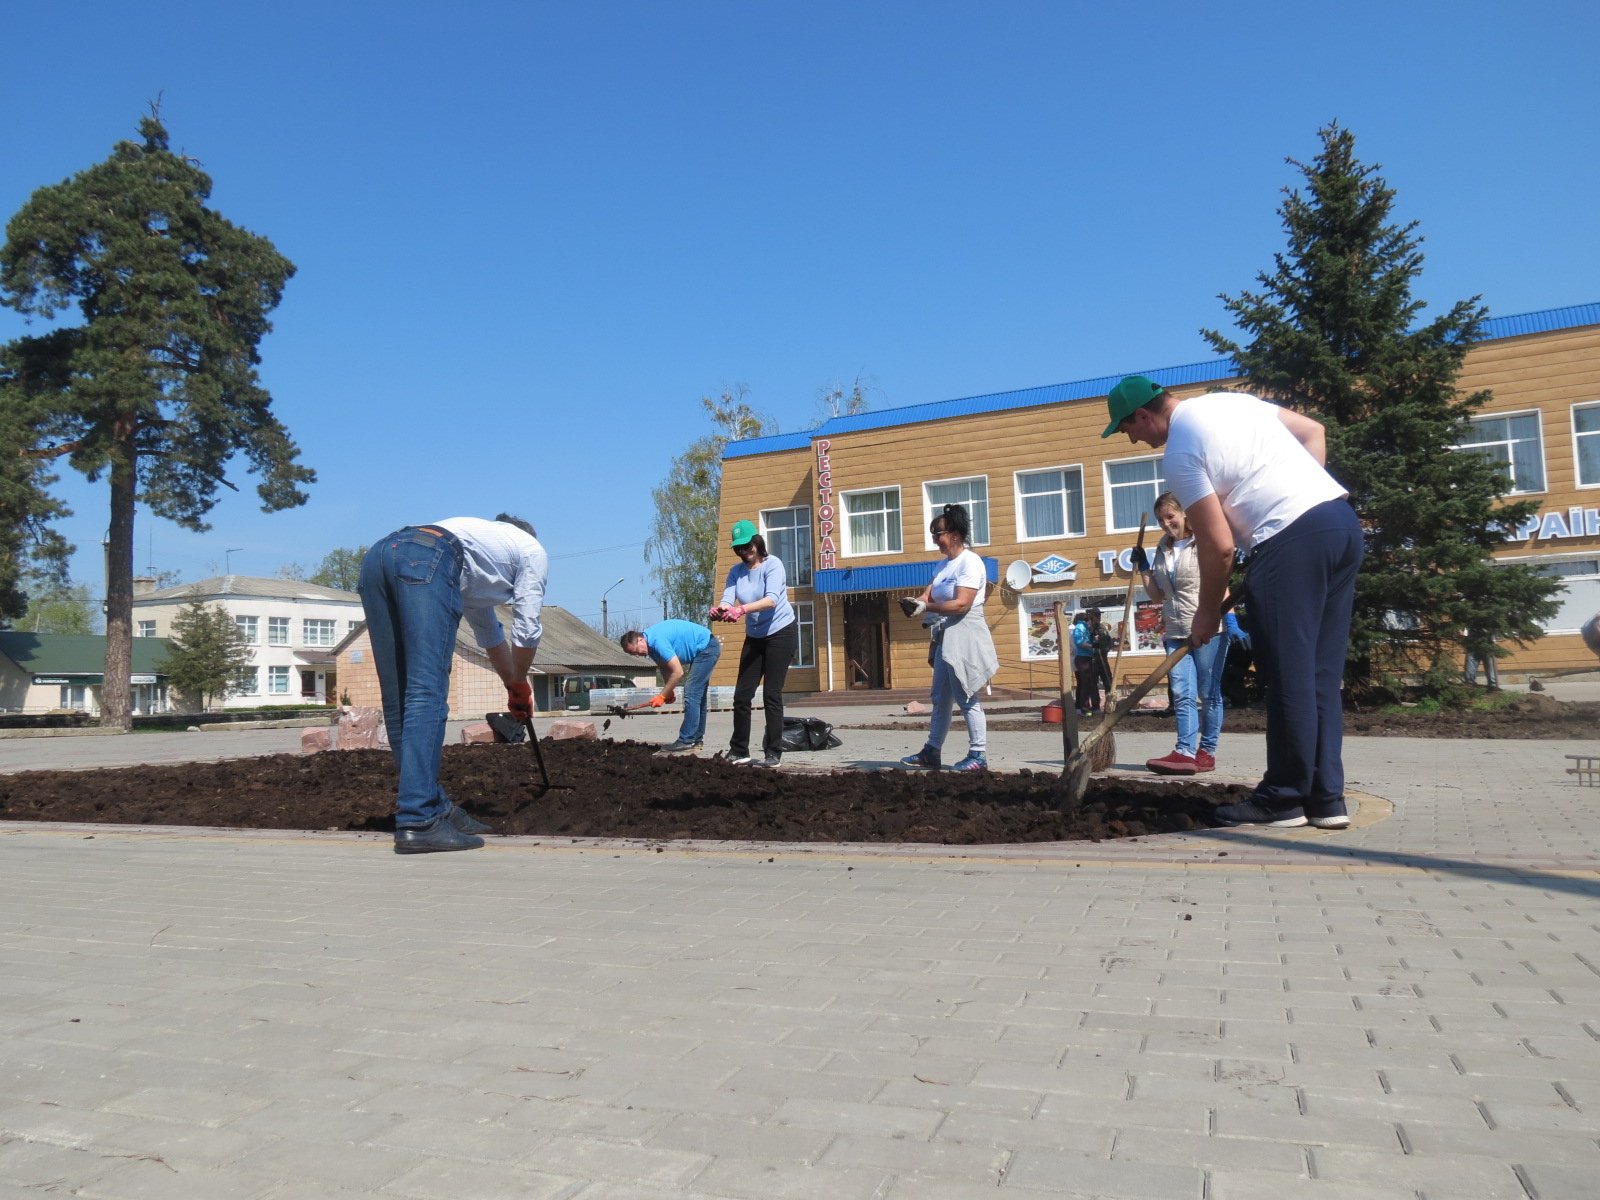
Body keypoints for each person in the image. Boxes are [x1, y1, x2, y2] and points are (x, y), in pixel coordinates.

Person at [1104, 376, 1363, 829]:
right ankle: (1326, 800)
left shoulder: (1179, 452)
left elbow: (1219, 546)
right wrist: (1302, 503)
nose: (1131, 439)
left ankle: (1283, 799)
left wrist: (1206, 614)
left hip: (1287, 544)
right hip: (1338, 524)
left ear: (1143, 415)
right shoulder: (1228, 403)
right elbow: (1313, 432)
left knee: (1288, 678)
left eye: (1127, 428)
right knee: (1320, 676)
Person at [358, 515, 549, 853]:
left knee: (399, 698)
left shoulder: (479, 553)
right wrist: (522, 682)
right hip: (425, 555)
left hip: (378, 557)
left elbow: (490, 635)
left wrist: (511, 687)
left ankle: (432, 804)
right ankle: (419, 820)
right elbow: (527, 628)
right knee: (425, 690)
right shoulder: (531, 549)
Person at [897, 503, 1001, 771]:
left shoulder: (970, 562)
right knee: (940, 697)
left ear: (954, 535)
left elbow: (961, 604)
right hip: (946, 634)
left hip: (965, 631)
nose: (935, 540)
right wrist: (916, 602)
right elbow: (929, 594)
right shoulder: (943, 565)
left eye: (938, 534)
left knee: (966, 695)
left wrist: (926, 607)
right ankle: (932, 751)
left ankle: (978, 755)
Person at [1135, 491, 1229, 775]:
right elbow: (1158, 595)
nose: (1166, 524)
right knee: (1182, 692)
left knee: (1208, 692)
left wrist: (1229, 617)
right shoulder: (1162, 548)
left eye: (1170, 517)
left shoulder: (1203, 541)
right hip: (1175, 630)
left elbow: (1219, 580)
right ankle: (1185, 751)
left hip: (1208, 628)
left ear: (1184, 513)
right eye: (1160, 520)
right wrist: (1143, 568)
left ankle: (1207, 752)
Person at [710, 519, 796, 767]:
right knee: (742, 695)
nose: (744, 551)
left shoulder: (773, 564)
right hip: (755, 637)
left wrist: (741, 610)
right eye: (739, 548)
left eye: (748, 546)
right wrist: (721, 610)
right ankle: (739, 750)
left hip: (781, 633)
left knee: (771, 694)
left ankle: (773, 752)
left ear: (757, 543)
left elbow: (771, 600)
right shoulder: (736, 572)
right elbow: (728, 599)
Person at [619, 620, 722, 753]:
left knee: (691, 692)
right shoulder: (651, 648)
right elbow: (665, 667)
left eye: (636, 651)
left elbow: (678, 672)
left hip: (707, 647)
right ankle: (696, 740)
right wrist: (669, 691)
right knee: (698, 697)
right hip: (704, 649)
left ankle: (686, 740)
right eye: (634, 654)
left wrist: (662, 696)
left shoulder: (657, 641)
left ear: (640, 640)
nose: (638, 655)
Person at [1071, 610, 1101, 716]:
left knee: (1091, 683)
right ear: (1089, 619)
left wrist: (1094, 640)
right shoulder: (1080, 627)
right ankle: (1084, 708)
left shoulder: (1087, 628)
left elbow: (1087, 640)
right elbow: (1079, 642)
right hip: (1083, 658)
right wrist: (1093, 645)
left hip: (1088, 657)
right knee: (1086, 683)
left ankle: (1093, 707)